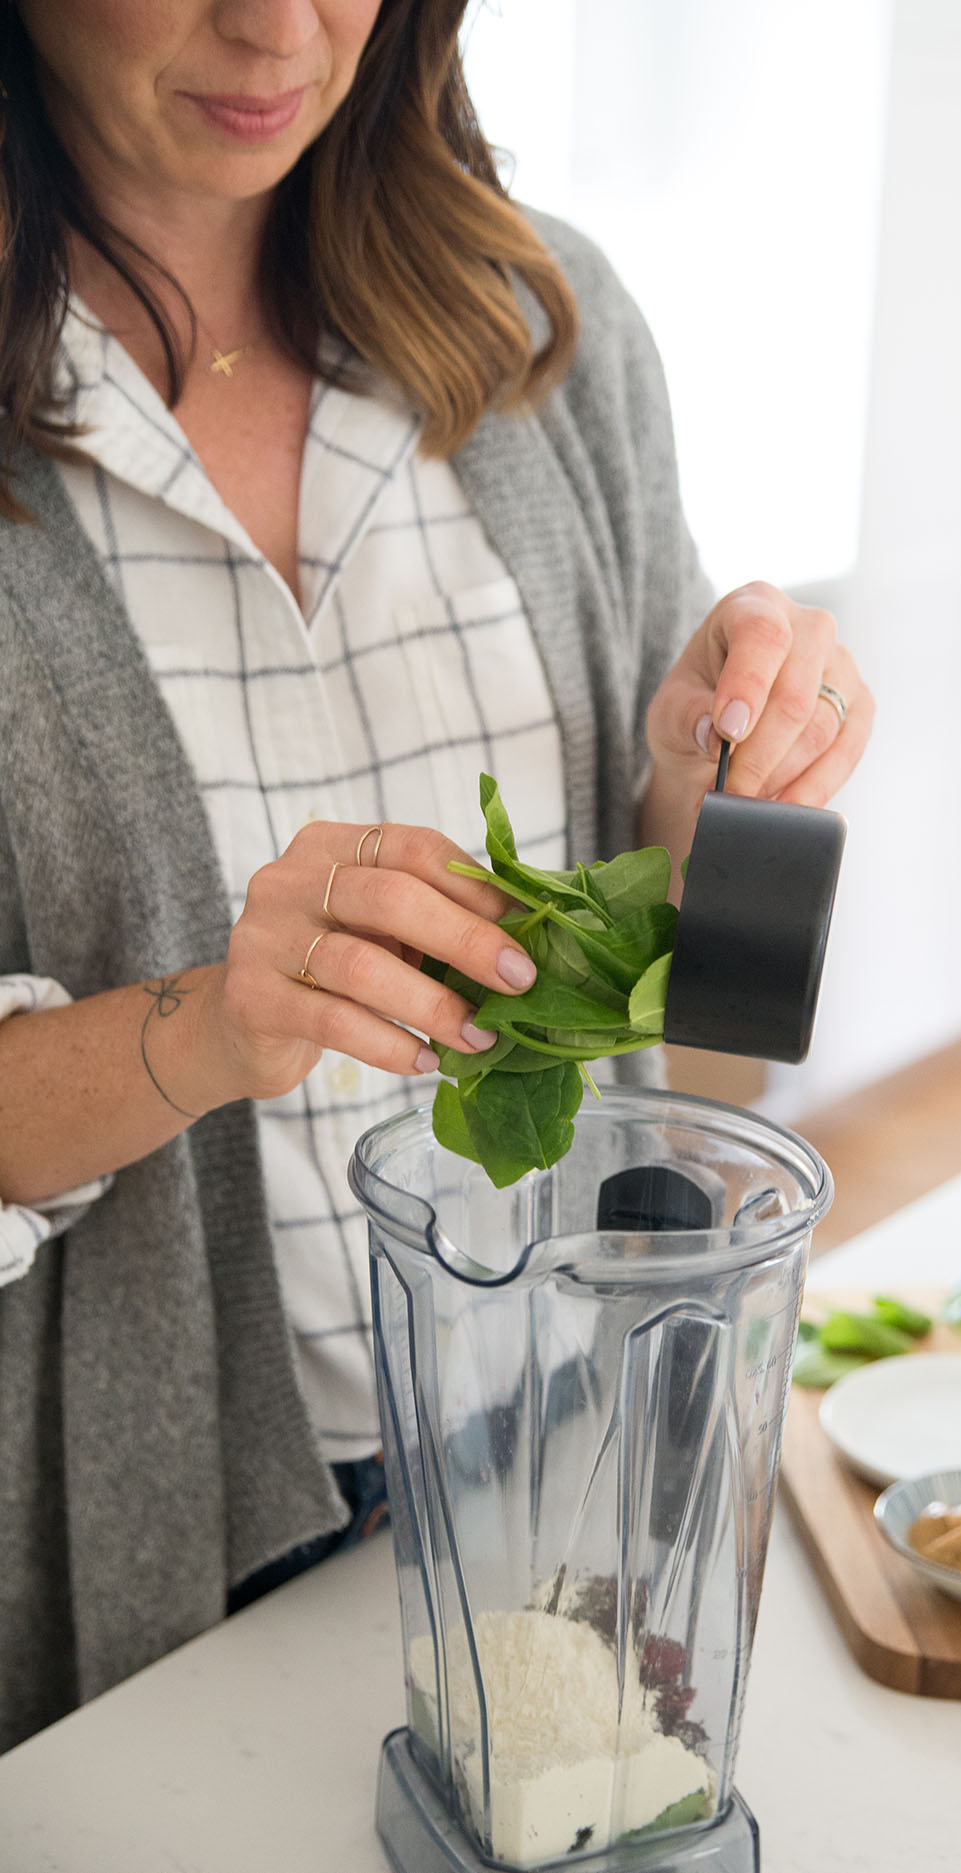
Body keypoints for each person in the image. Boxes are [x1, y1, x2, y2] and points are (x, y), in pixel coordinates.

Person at [0, 0, 873, 1753]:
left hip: (589, 1447)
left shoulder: (547, 323)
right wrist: (203, 1028)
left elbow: (700, 1009)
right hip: (175, 1554)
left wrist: (738, 771)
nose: (275, 24)